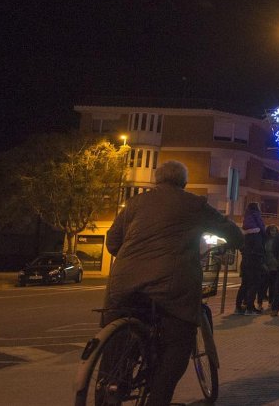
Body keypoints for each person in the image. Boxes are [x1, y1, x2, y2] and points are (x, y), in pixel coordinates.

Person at [104, 161, 243, 406]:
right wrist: (238, 244)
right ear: (184, 182)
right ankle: (158, 400)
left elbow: (113, 242)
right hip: (171, 286)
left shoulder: (135, 203)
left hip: (124, 282)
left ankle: (112, 385)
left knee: (118, 335)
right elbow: (231, 232)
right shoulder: (193, 204)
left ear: (157, 180)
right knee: (179, 342)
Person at [235, 202, 265, 315]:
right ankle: (249, 308)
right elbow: (258, 249)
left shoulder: (245, 235)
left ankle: (238, 307)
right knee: (254, 283)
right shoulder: (256, 235)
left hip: (246, 261)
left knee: (245, 283)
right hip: (254, 261)